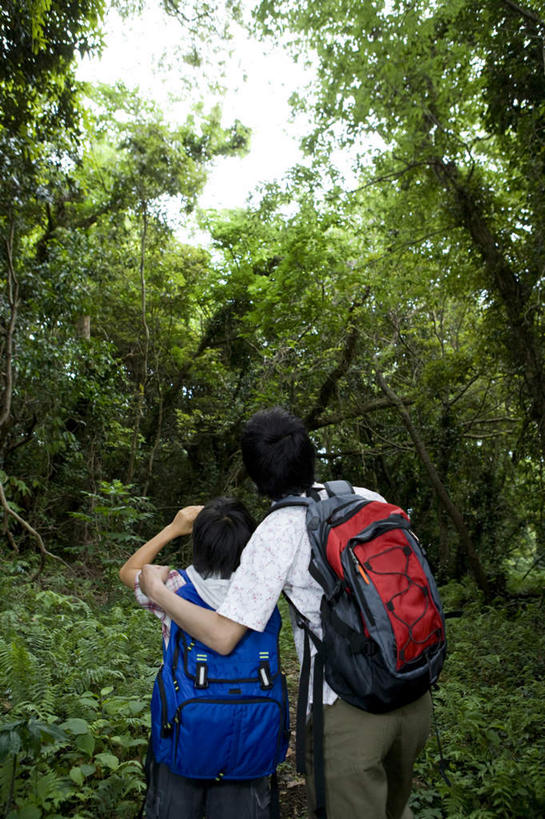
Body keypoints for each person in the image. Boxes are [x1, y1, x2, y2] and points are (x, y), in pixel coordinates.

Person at [141, 407, 432, 819]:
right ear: (308, 455)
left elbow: (224, 636)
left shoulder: (276, 532)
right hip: (412, 688)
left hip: (350, 708)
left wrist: (158, 591)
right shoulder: (366, 498)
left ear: (257, 479)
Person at [120, 497, 273, 819]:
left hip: (183, 732)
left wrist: (172, 529)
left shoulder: (173, 586)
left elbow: (129, 572)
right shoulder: (265, 593)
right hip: (249, 734)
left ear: (200, 543)